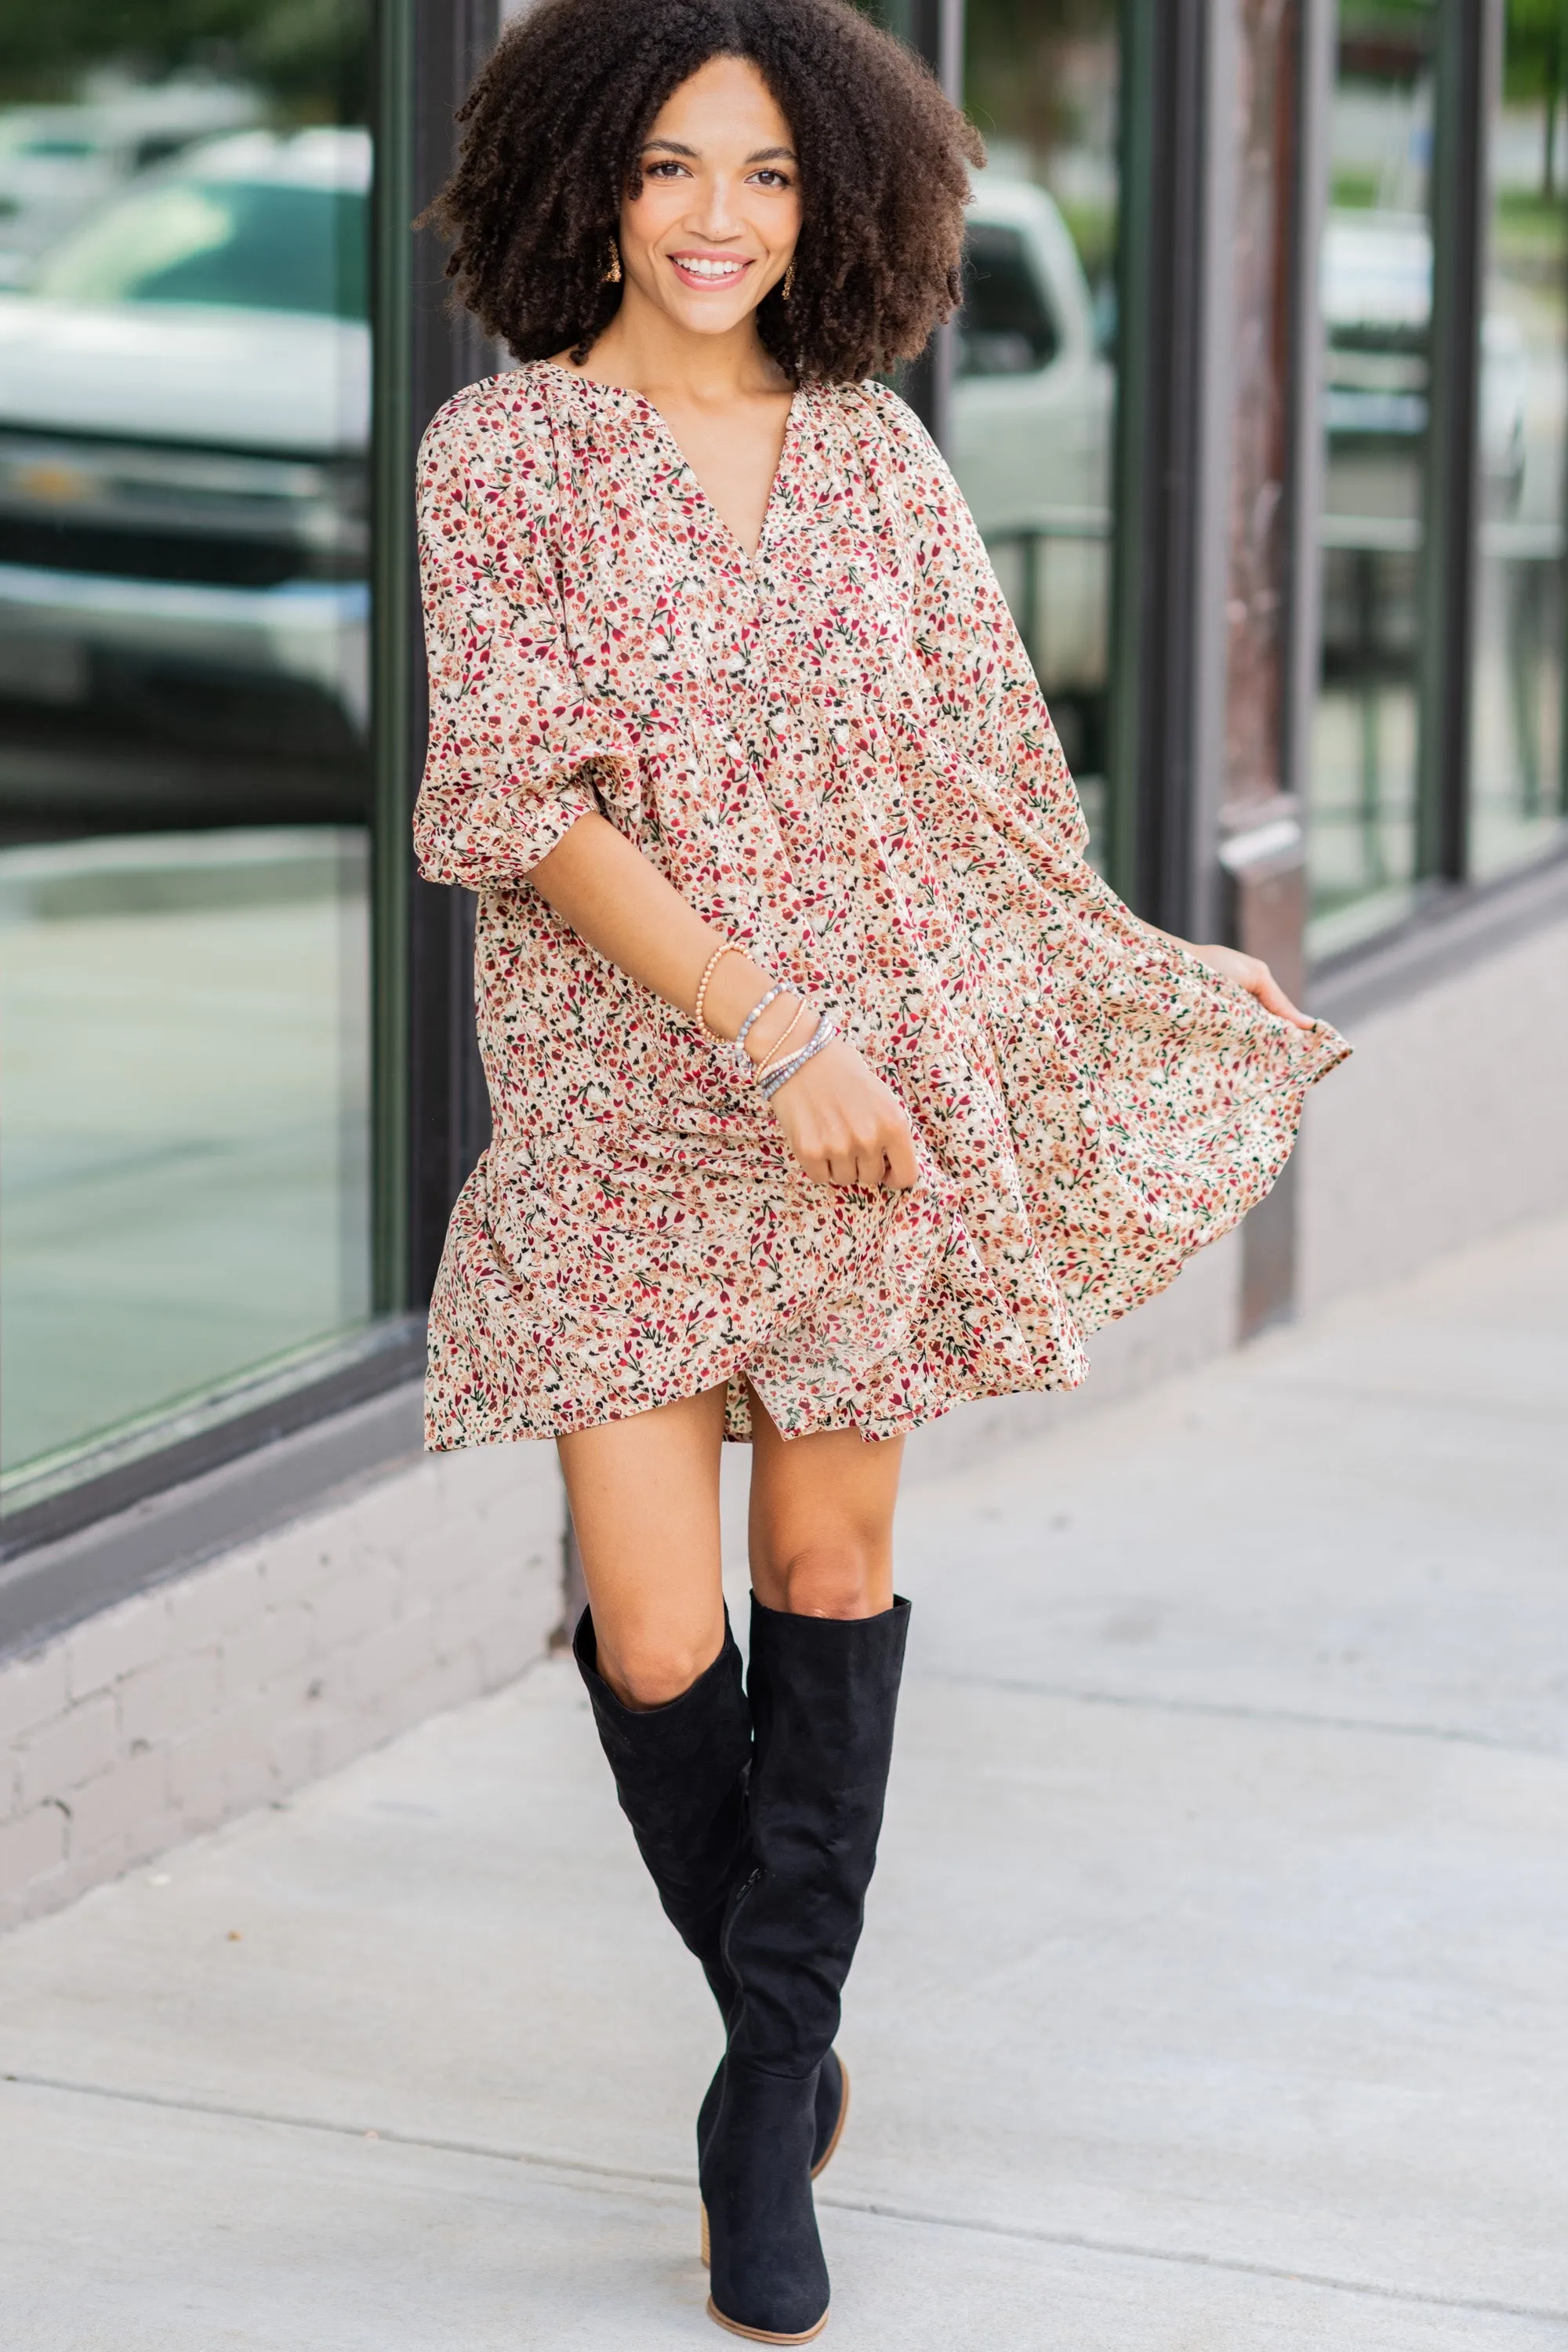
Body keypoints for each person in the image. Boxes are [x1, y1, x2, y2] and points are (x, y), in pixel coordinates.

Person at [415, 1, 1348, 2338]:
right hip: (647, 1095)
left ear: (834, 204)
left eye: (767, 177)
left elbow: (991, 787)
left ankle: (759, 2108)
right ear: (587, 190)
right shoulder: (506, 455)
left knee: (826, 1569)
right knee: (653, 1626)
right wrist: (770, 1032)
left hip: (880, 1106)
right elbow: (518, 808)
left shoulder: (879, 461)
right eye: (669, 170)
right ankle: (790, 2035)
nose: (719, 221)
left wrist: (1148, 957)